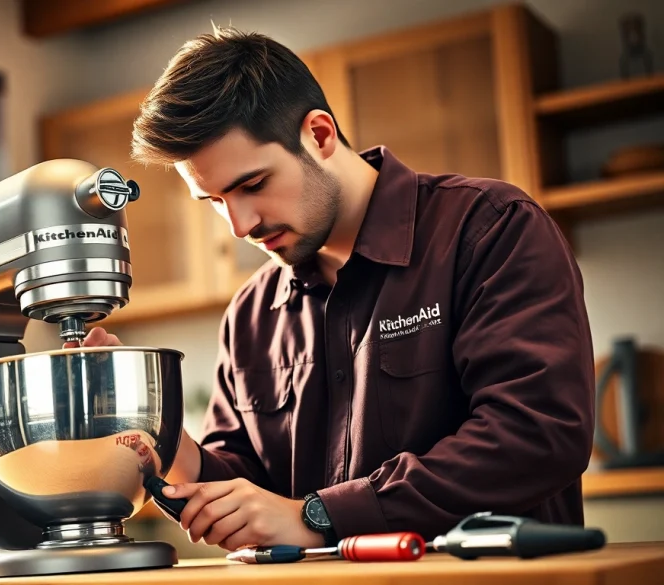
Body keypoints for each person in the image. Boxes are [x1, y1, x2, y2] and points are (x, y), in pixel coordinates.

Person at [70, 25, 596, 552]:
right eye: (213, 201)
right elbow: (242, 492)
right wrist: (153, 427)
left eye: (251, 185)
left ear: (319, 135)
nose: (238, 225)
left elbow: (537, 434)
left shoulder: (491, 228)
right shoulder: (252, 312)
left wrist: (318, 515)